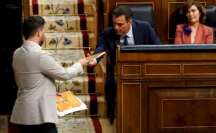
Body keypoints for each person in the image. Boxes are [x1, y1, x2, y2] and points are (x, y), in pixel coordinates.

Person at [10, 16, 91, 133]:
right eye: (43, 31)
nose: (44, 35)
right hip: (38, 115)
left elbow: (31, 79)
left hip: (22, 113)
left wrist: (50, 91)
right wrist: (81, 63)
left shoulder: (17, 53)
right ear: (38, 33)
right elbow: (64, 74)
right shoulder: (40, 55)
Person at [89, 5, 160, 124]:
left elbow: (158, 47)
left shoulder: (145, 28)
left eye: (120, 24)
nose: (116, 28)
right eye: (114, 24)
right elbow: (100, 49)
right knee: (110, 82)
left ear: (129, 21)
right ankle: (112, 114)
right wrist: (95, 60)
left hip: (143, 68)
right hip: (117, 70)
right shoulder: (108, 33)